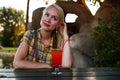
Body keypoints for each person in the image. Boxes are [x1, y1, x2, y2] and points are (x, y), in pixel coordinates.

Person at [13, 3, 72, 69]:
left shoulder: (59, 40)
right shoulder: (30, 35)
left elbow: (66, 65)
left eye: (54, 18)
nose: (48, 20)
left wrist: (65, 36)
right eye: (47, 15)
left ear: (59, 24)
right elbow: (17, 63)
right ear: (42, 16)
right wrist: (46, 65)